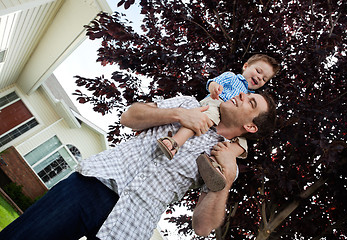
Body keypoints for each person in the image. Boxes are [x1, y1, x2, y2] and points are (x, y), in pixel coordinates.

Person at [0, 92, 276, 240]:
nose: (241, 95)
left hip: (132, 225)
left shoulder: (226, 159)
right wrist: (179, 114)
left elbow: (203, 228)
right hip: (94, 187)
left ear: (250, 126)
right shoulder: (190, 104)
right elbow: (129, 117)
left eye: (250, 102)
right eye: (246, 93)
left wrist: (226, 180)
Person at [157, 54, 280, 191]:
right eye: (258, 71)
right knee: (201, 119)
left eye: (264, 79)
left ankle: (216, 165)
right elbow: (212, 82)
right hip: (215, 104)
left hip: (226, 117)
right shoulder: (232, 77)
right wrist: (214, 88)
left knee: (242, 144)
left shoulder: (250, 94)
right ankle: (175, 142)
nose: (259, 78)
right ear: (246, 66)